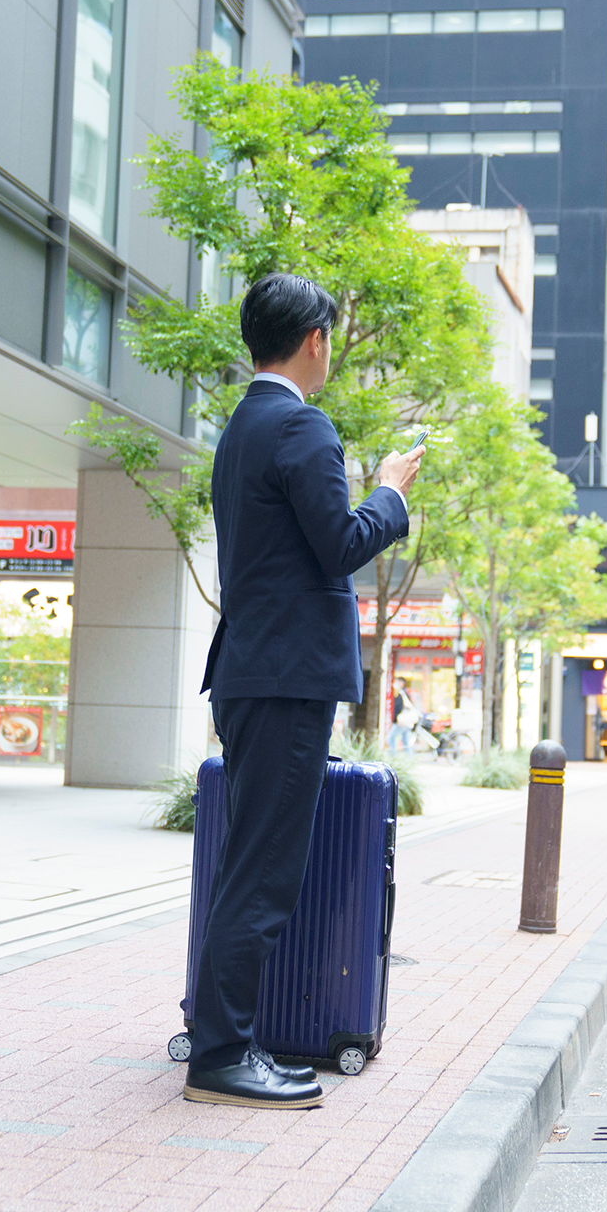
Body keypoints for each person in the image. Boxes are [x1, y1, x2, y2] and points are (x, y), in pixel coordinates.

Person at [185, 273, 421, 1110]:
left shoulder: (241, 427)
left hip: (252, 670)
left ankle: (218, 1037)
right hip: (285, 681)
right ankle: (219, 1056)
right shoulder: (302, 426)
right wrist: (391, 491)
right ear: (316, 340)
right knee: (265, 872)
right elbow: (339, 545)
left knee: (245, 863)